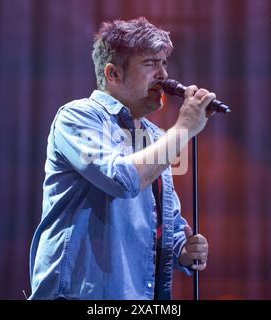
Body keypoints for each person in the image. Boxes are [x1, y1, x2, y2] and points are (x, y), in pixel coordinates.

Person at [29, 17, 214, 300]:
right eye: (151, 63)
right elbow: (121, 179)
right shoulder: (77, 117)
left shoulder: (155, 137)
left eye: (164, 63)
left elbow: (166, 222)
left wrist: (183, 250)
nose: (163, 74)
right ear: (113, 74)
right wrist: (184, 128)